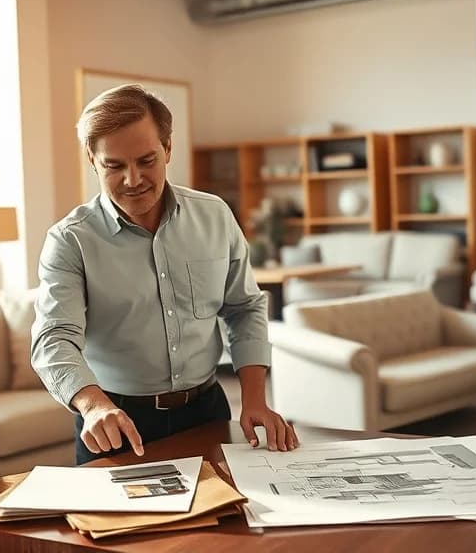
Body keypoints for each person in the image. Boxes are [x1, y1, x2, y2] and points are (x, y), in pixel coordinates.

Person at [32, 83, 299, 464]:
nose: (132, 179)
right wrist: (92, 405)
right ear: (92, 159)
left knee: (223, 520)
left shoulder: (214, 215)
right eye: (114, 165)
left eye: (146, 160)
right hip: (116, 423)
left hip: (207, 412)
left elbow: (243, 307)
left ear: (168, 148)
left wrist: (255, 398)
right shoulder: (70, 241)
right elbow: (53, 338)